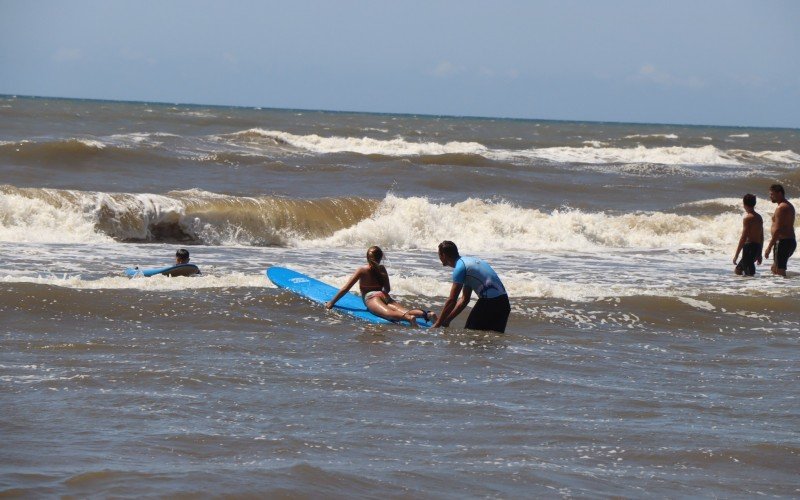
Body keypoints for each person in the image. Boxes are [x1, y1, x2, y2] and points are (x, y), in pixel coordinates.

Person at [325, 246, 435, 327]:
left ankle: (409, 319)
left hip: (371, 298)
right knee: (404, 310)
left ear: (367, 257)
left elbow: (346, 288)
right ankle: (427, 314)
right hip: (384, 295)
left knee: (388, 314)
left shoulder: (362, 270)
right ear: (380, 257)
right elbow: (387, 289)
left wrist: (331, 303)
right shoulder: (382, 269)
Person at [432, 241, 510, 333]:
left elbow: (452, 301)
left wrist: (437, 324)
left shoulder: (460, 268)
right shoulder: (468, 263)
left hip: (489, 303)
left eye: (439, 255)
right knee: (492, 341)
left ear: (443, 255)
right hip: (504, 304)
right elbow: (464, 299)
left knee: (470, 336)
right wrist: (447, 320)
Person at [764, 184, 796, 277]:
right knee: (774, 268)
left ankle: (785, 290)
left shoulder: (781, 207)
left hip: (783, 242)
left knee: (779, 271)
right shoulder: (787, 205)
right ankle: (780, 289)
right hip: (788, 241)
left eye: (772, 194)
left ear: (780, 193)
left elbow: (777, 229)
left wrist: (769, 247)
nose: (770, 196)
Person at [733, 193, 763, 276]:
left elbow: (743, 237)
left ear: (744, 204)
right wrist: (760, 253)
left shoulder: (748, 218)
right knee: (738, 270)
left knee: (749, 275)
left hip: (749, 248)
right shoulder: (759, 217)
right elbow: (761, 236)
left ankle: (752, 288)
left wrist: (736, 255)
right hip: (756, 247)